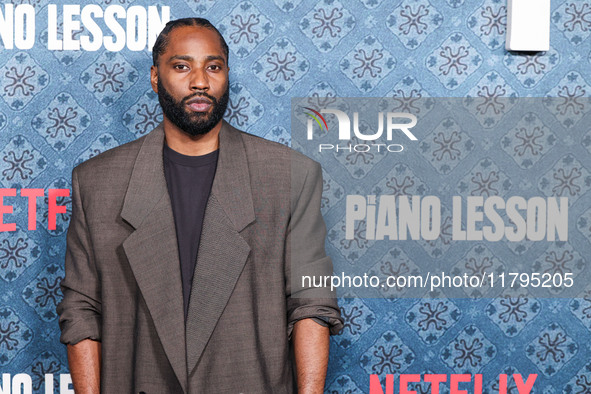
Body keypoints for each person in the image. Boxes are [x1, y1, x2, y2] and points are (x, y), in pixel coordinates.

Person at [57, 17, 343, 393]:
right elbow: (81, 311)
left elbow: (312, 305)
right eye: (181, 66)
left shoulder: (291, 175)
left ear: (226, 74)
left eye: (213, 66)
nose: (200, 81)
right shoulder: (97, 182)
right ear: (155, 77)